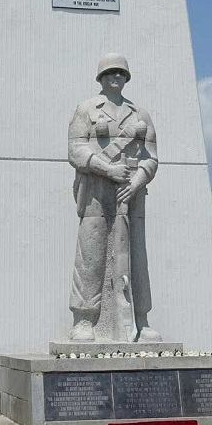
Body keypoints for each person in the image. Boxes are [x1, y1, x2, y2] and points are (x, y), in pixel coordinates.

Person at [67, 54, 159, 343]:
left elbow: (152, 157)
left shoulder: (140, 114)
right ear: (101, 78)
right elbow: (76, 150)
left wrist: (136, 181)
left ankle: (140, 319)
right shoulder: (86, 109)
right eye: (109, 73)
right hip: (96, 187)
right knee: (91, 251)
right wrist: (108, 169)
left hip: (131, 190)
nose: (115, 77)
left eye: (120, 72)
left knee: (135, 255)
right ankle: (84, 318)